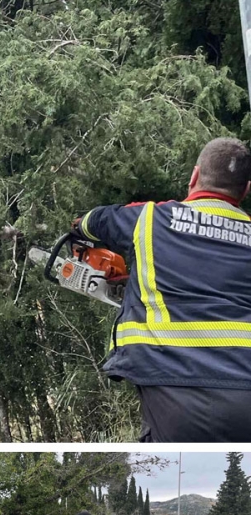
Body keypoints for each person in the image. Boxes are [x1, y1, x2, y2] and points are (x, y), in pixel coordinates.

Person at [75, 137, 251, 441]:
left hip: (172, 389)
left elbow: (92, 221)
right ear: (246, 190)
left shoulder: (147, 218)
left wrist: (77, 228)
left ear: (194, 176)